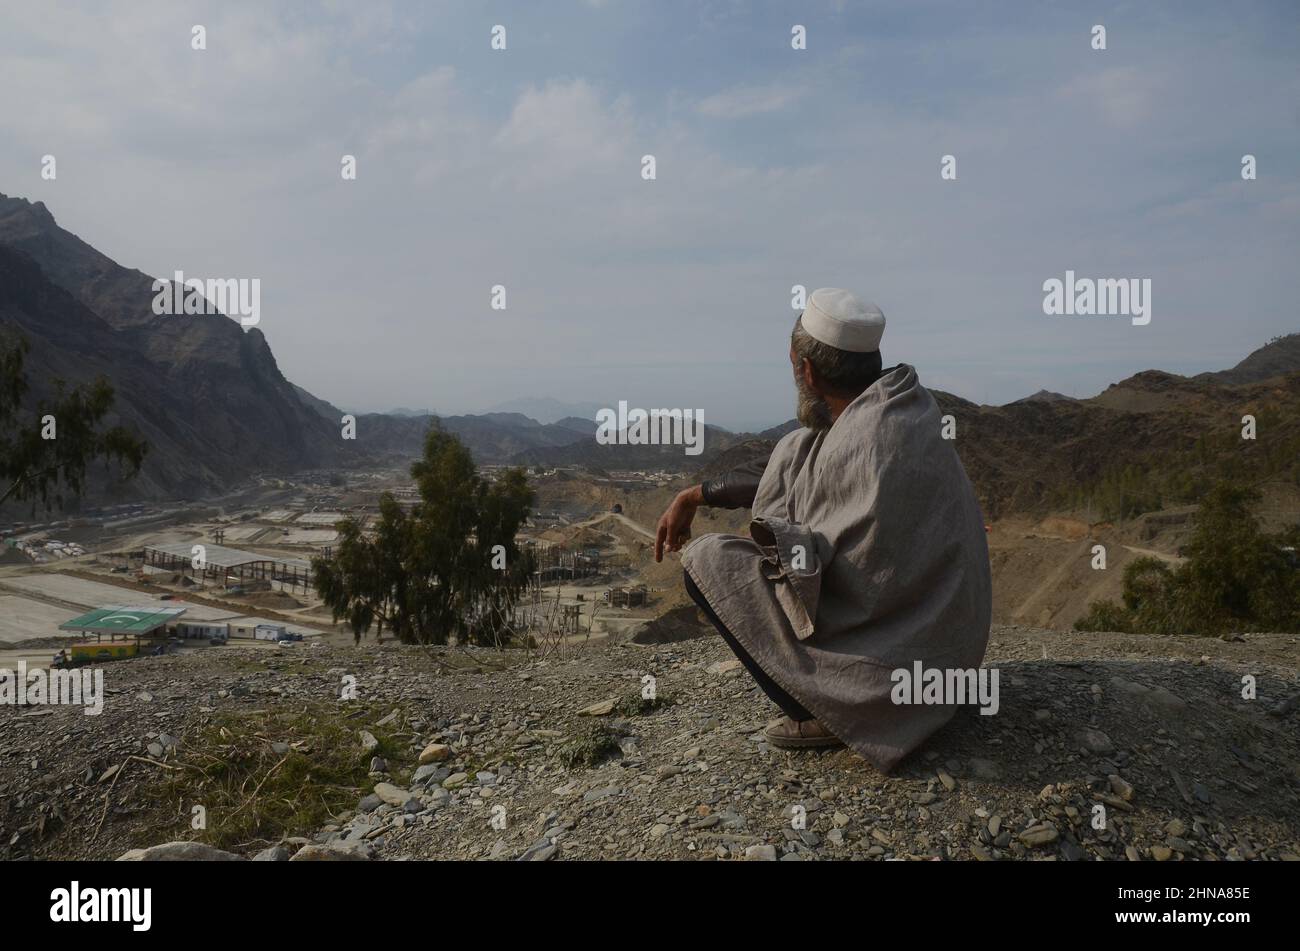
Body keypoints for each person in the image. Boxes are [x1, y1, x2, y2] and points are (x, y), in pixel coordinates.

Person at [654, 288, 991, 770]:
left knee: (707, 560)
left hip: (886, 681)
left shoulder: (857, 440)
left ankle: (829, 710)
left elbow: (802, 571)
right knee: (794, 447)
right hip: (948, 662)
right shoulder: (908, 412)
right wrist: (695, 495)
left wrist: (774, 542)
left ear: (806, 371)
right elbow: (791, 465)